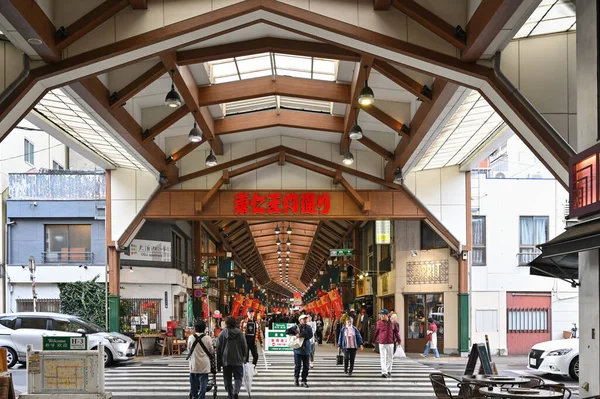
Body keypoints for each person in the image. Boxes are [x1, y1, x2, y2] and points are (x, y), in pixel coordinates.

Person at [216, 316, 248, 399]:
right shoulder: (240, 333)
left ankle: (230, 395)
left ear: (226, 323)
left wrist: (218, 363)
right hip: (238, 359)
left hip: (225, 360)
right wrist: (244, 357)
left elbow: (218, 349)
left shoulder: (222, 334)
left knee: (227, 379)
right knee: (238, 377)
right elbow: (245, 346)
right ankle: (235, 392)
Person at [187, 320, 214, 399]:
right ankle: (201, 397)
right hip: (204, 364)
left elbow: (189, 350)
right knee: (203, 382)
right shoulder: (207, 338)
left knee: (193, 382)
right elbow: (211, 351)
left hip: (194, 364)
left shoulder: (191, 337)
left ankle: (195, 396)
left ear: (195, 328)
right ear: (204, 329)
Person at [371, 309, 401, 378]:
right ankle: (384, 372)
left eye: (383, 315)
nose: (381, 316)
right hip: (382, 343)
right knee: (383, 358)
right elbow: (376, 332)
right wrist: (373, 341)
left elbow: (396, 332)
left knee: (390, 358)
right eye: (381, 314)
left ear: (387, 315)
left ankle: (389, 370)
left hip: (390, 342)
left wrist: (399, 341)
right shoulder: (379, 323)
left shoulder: (393, 322)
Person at [286, 314, 313, 388]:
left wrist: (300, 334)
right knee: (298, 366)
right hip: (298, 350)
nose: (305, 320)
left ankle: (304, 380)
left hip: (306, 349)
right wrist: (295, 333)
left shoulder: (308, 327)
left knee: (306, 367)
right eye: (303, 319)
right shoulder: (296, 327)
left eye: (306, 319)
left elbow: (310, 335)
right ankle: (296, 378)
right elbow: (287, 331)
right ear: (300, 320)